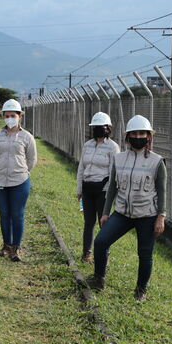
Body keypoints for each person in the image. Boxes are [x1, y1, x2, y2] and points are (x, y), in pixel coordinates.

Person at [87, 115, 167, 301]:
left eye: (142, 133)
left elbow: (162, 192)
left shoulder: (157, 161)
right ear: (128, 136)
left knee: (145, 253)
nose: (138, 136)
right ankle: (99, 278)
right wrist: (106, 212)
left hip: (147, 215)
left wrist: (160, 216)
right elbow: (113, 187)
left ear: (148, 137)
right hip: (122, 213)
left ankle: (141, 291)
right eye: (134, 133)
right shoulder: (119, 158)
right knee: (100, 242)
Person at [0, 99, 37, 262]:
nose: (10, 118)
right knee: (4, 214)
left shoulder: (27, 137)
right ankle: (6, 246)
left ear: (20, 117)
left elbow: (31, 160)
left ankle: (15, 248)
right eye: (7, 115)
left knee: (17, 215)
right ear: (3, 116)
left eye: (13, 115)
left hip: (19, 182)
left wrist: (20, 171)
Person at [76, 112, 120, 263]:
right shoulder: (87, 145)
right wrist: (79, 189)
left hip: (103, 191)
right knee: (88, 223)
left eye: (101, 127)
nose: (98, 129)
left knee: (104, 224)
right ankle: (86, 253)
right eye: (96, 127)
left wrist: (108, 194)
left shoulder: (113, 147)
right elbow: (81, 167)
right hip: (87, 189)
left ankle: (103, 256)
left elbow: (114, 173)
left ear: (108, 128)